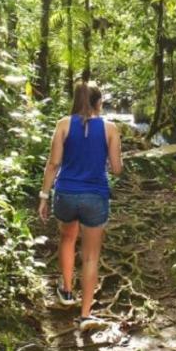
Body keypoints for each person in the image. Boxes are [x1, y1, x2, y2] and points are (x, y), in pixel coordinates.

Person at [38, 81, 123, 331]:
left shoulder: (63, 125)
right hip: (95, 196)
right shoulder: (110, 129)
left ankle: (66, 290)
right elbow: (117, 170)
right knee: (90, 257)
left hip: (65, 193)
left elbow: (53, 165)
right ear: (99, 102)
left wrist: (44, 196)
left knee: (66, 239)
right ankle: (85, 315)